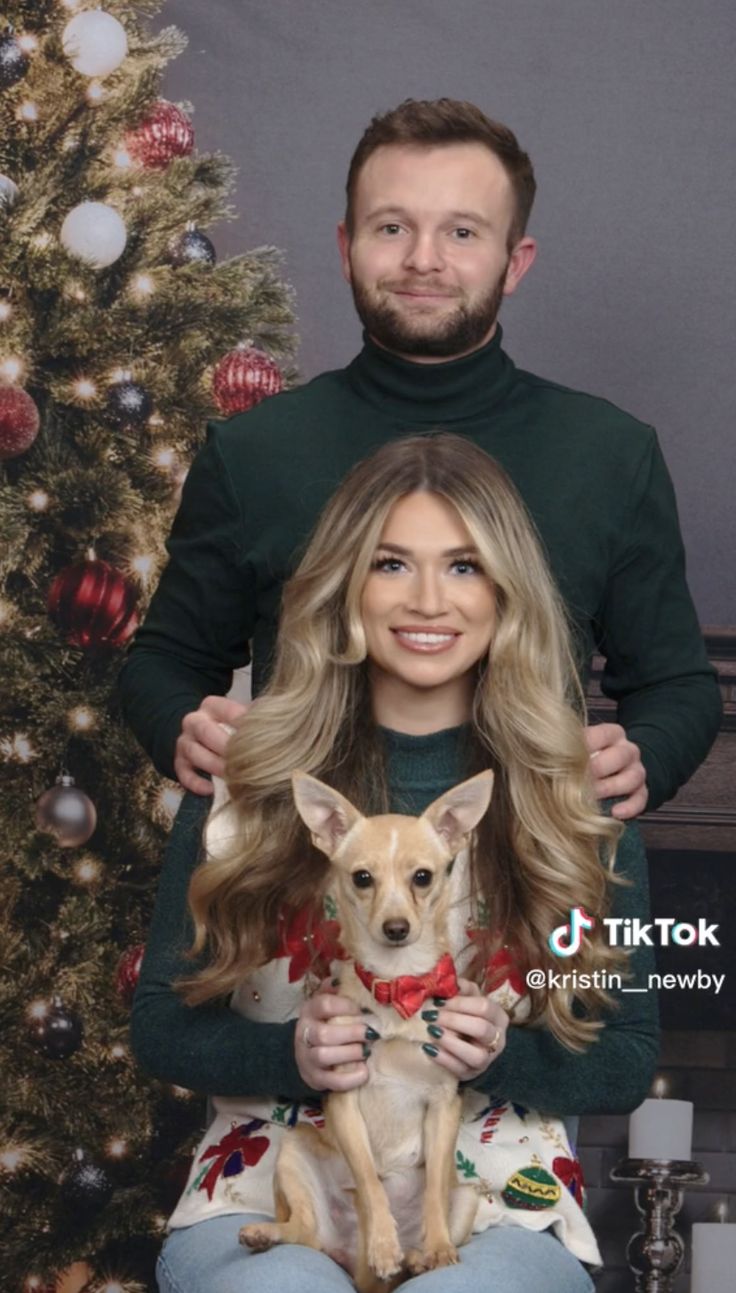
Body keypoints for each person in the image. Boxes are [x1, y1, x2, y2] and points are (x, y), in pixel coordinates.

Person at [131, 435, 659, 1293]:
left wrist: (498, 1057)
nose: (426, 600)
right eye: (389, 564)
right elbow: (158, 1024)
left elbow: (630, 1056)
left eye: (462, 567)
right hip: (277, 1180)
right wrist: (290, 1055)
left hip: (496, 1198)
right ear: (346, 586)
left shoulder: (577, 803)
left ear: (506, 592)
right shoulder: (251, 781)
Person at [119, 97, 720, 818]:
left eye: (462, 231)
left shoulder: (610, 454)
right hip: (300, 873)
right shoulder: (254, 451)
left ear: (514, 260)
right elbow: (165, 662)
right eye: (392, 226)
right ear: (347, 249)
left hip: (526, 868)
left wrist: (644, 753)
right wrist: (180, 727)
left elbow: (677, 685)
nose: (423, 259)